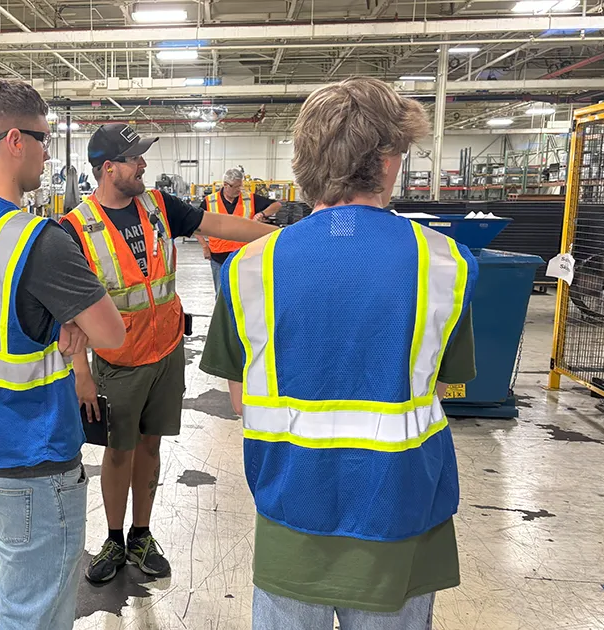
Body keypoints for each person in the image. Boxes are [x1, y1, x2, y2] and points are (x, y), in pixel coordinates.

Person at [199, 77, 478, 630]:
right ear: (390, 159)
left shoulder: (248, 268)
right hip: (399, 517)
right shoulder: (445, 263)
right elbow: (443, 386)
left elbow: (238, 399)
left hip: (290, 519)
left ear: (305, 160)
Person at [0, 78, 126, 630]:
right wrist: (75, 319)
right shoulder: (37, 241)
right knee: (34, 613)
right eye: (45, 139)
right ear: (15, 140)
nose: (50, 153)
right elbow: (111, 333)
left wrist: (61, 314)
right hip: (31, 456)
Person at [60, 123, 277, 586]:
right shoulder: (75, 227)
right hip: (116, 363)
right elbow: (72, 313)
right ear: (107, 168)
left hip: (166, 352)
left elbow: (219, 225)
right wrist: (81, 374)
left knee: (151, 445)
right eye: (134, 158)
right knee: (119, 452)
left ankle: (141, 533)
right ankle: (114, 539)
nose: (142, 165)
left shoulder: (159, 206)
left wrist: (280, 237)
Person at [199, 168, 287, 291]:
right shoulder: (209, 201)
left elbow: (276, 205)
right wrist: (204, 246)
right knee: (221, 294)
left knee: (245, 293)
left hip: (245, 255)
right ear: (225, 185)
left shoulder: (249, 199)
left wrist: (262, 214)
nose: (239, 190)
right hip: (219, 256)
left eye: (240, 186)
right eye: (236, 187)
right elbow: (195, 224)